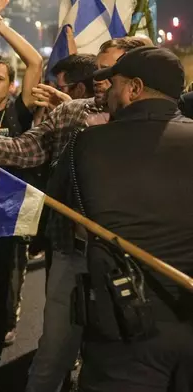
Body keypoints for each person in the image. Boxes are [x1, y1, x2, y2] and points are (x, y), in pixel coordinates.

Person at [0, 36, 151, 392]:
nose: (100, 78)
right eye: (99, 70)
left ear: (137, 78)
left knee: (121, 356)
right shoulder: (73, 113)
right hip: (72, 253)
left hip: (136, 260)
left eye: (110, 70)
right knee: (53, 351)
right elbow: (23, 149)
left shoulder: (163, 125)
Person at [74, 46, 193, 392]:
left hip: (123, 325)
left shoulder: (88, 144)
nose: (108, 92)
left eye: (114, 84)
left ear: (134, 89)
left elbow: (78, 225)